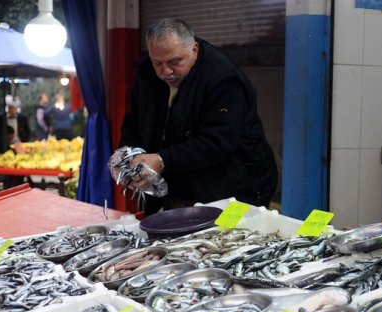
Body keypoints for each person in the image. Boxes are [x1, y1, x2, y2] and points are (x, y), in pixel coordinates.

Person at [118, 18, 277, 213]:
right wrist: (128, 154)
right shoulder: (146, 73)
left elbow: (217, 142)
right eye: (157, 63)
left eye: (175, 61)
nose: (166, 71)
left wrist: (161, 160)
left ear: (194, 49)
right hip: (174, 189)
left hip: (232, 190)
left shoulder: (224, 80)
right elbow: (136, 120)